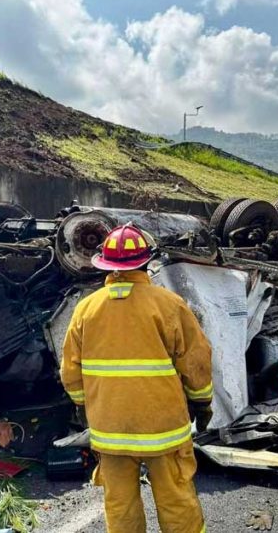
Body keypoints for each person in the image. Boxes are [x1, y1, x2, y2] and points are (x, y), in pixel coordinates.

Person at [61, 224, 213, 533]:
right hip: (163, 429)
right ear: (146, 262)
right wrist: (202, 402)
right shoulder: (169, 305)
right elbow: (196, 363)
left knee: (120, 504)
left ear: (104, 263)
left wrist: (82, 406)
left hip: (110, 430)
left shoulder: (85, 310)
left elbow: (71, 371)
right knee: (176, 500)